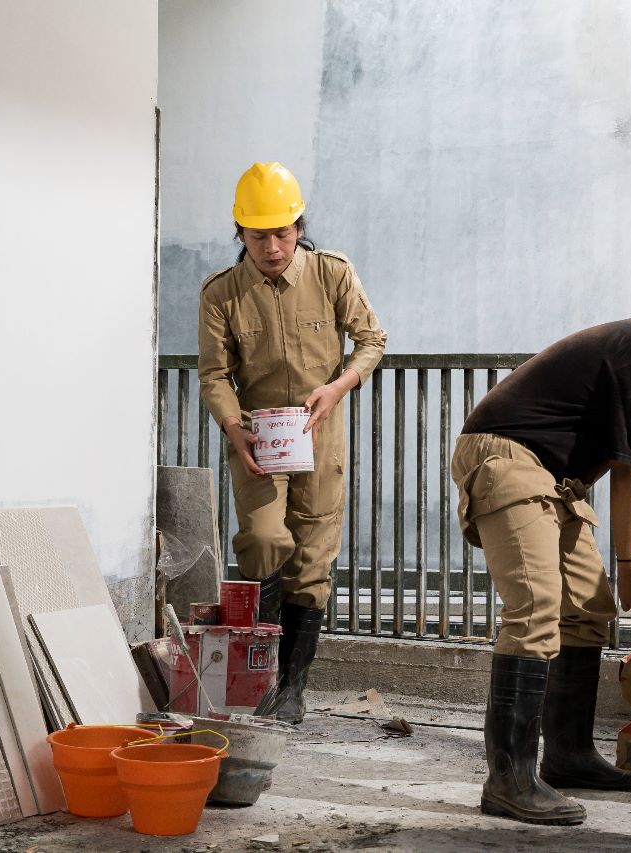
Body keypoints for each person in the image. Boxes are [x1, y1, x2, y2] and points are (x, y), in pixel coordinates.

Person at [450, 253, 631, 825]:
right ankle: (509, 780)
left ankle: (569, 754)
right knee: (536, 609)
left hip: (552, 478)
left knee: (588, 606)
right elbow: (629, 471)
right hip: (510, 461)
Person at [198, 162, 387, 724]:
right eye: (259, 236)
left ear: (299, 227)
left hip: (319, 436)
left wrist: (337, 387)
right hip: (258, 438)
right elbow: (214, 375)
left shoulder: (331, 274)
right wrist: (235, 428)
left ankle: (291, 690)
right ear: (240, 234)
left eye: (283, 232)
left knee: (311, 560)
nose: (273, 246)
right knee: (260, 539)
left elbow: (371, 339)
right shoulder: (221, 294)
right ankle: (263, 671)